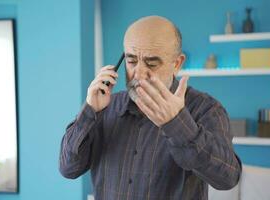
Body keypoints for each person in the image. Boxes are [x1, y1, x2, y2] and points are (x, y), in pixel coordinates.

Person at [59, 15, 241, 200]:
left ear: (177, 64)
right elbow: (68, 168)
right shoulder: (105, 107)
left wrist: (177, 123)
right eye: (131, 61)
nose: (139, 73)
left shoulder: (206, 109)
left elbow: (227, 178)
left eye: (151, 63)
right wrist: (89, 112)